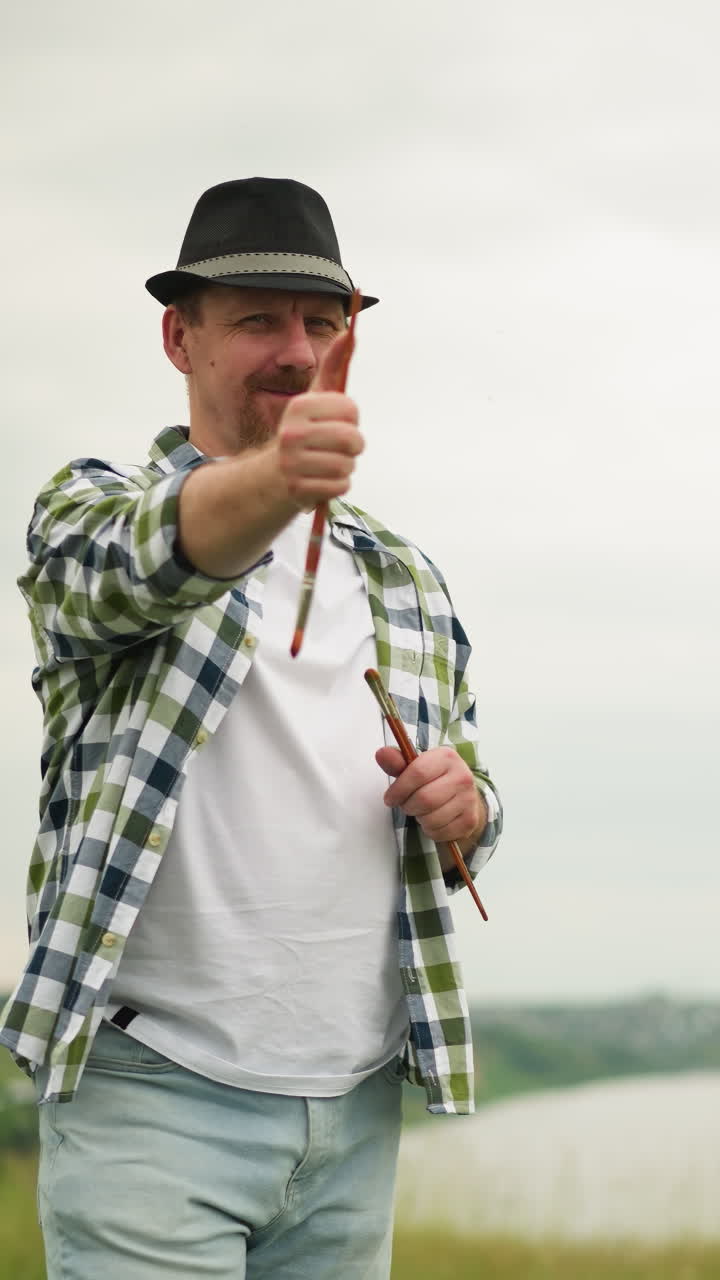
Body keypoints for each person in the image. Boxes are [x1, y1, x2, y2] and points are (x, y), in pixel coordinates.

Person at [0, 178, 502, 1279]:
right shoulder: (87, 512)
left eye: (322, 324)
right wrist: (277, 477)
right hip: (150, 1100)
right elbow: (141, 565)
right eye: (258, 320)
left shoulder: (403, 575)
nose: (296, 349)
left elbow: (474, 800)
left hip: (355, 1110)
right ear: (181, 337)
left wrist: (468, 802)